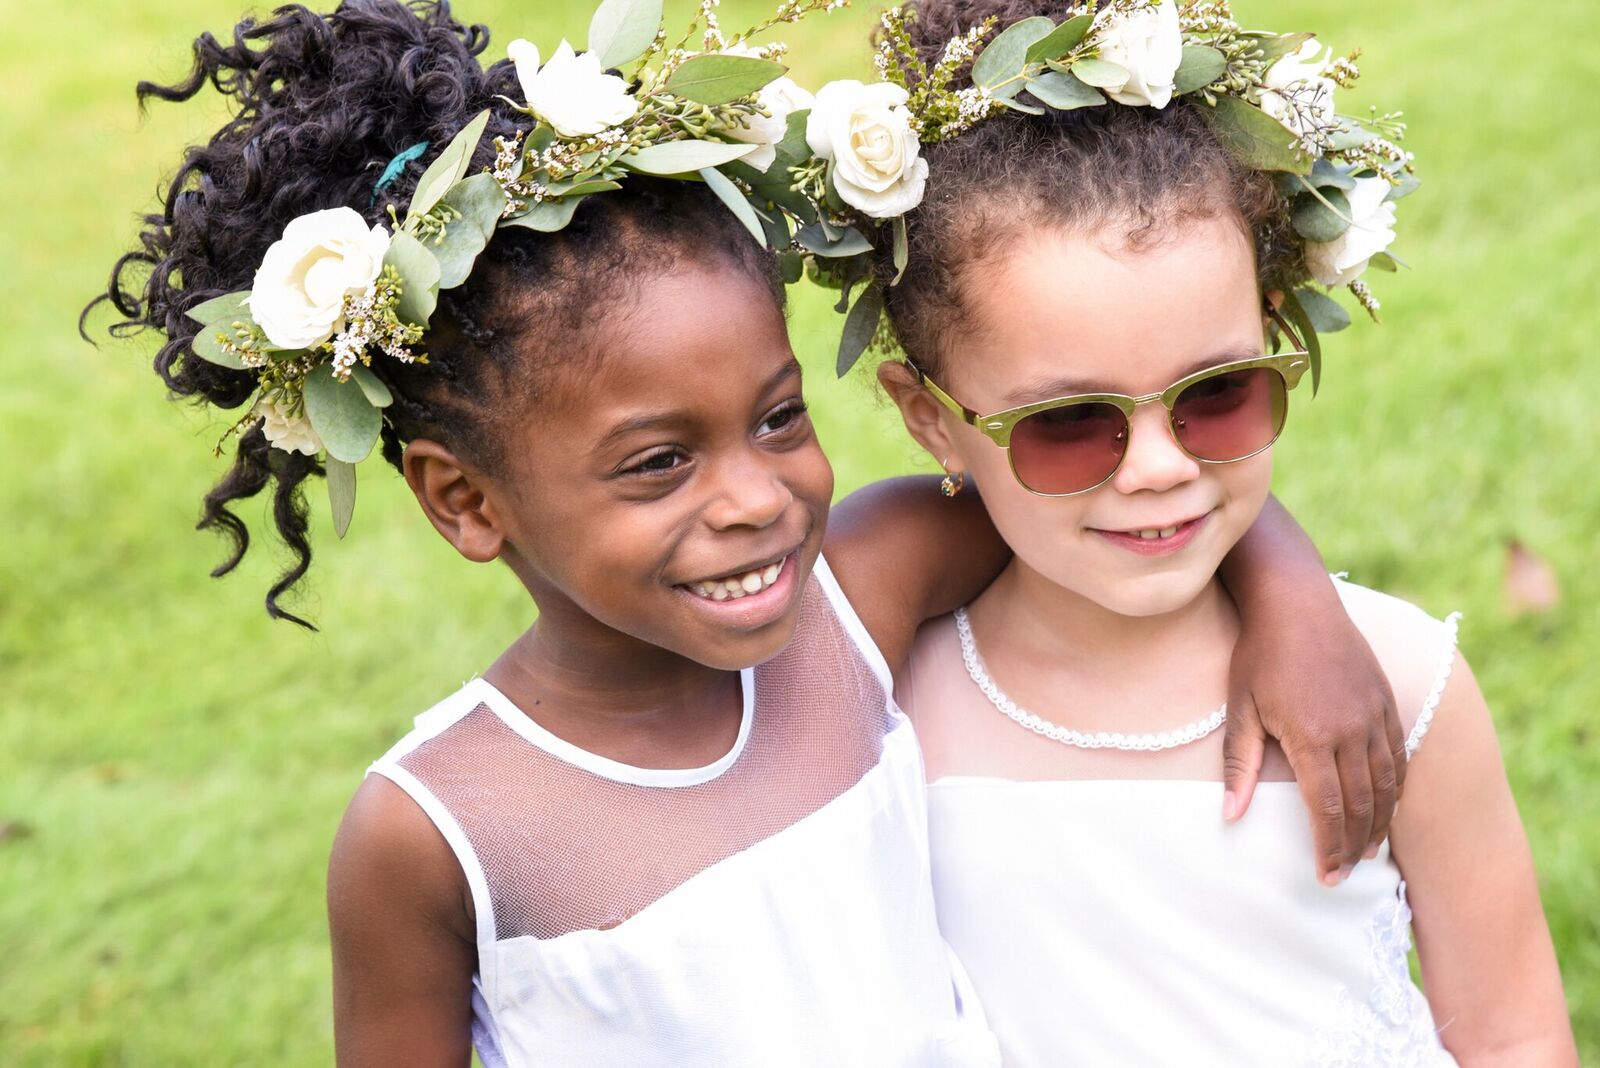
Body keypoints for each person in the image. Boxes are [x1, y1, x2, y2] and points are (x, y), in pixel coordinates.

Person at [90, 1, 1413, 1063]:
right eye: (660, 462)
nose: (755, 496)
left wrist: (1299, 607)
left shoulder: (863, 591)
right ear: (465, 501)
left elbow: (1115, 489)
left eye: (778, 416)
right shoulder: (430, 835)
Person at [807, 0, 1578, 1062]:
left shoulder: (1396, 678)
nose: (1160, 468)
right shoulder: (887, 709)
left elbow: (1511, 1035)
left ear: (1272, 333)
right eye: (1069, 426)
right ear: (930, 419)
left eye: (1216, 395)